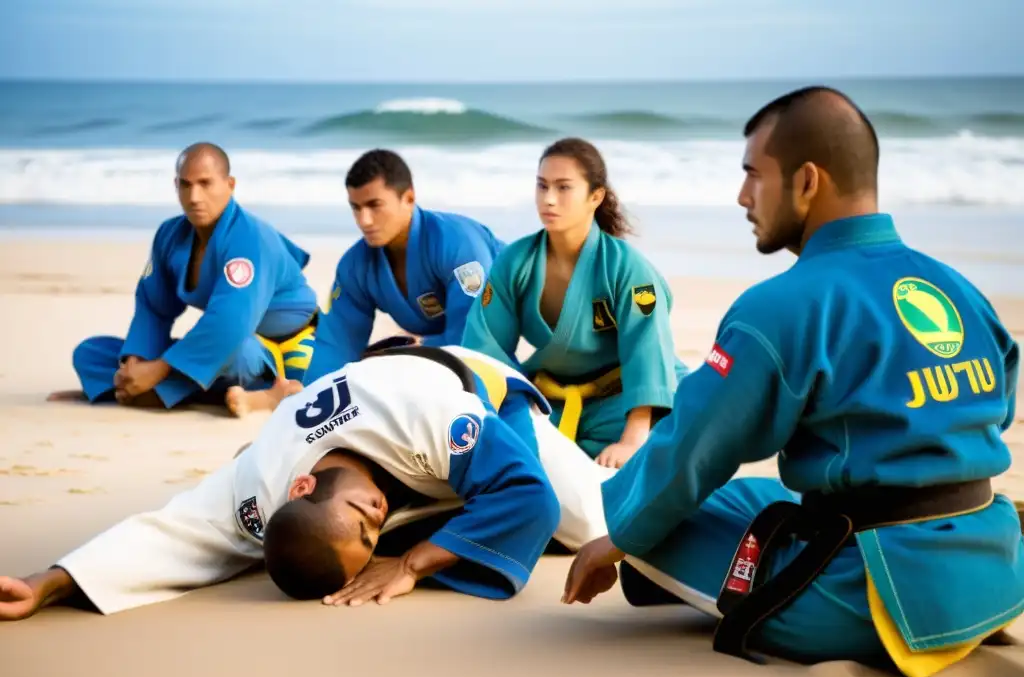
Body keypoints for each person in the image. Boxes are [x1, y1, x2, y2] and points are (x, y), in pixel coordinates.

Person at [562, 86, 1024, 677]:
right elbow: (1000, 404)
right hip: (992, 563)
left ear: (807, 181)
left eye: (754, 174)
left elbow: (695, 445)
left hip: (878, 597)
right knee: (735, 499)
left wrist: (617, 538)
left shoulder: (779, 307)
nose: (742, 196)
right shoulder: (955, 286)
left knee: (652, 522)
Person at [1, 345, 613, 621]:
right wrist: (50, 582)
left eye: (361, 516)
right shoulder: (261, 483)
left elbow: (528, 494)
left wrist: (412, 563)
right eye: (374, 532)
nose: (373, 512)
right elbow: (173, 531)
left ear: (304, 491)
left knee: (592, 520)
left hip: (476, 394)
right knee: (223, 529)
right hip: (407, 469)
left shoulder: (420, 411)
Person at [461, 137, 687, 469]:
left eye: (563, 188)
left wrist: (633, 438)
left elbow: (647, 346)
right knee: (505, 456)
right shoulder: (515, 262)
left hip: (629, 399)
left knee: (662, 454)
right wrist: (508, 405)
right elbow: (484, 347)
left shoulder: (627, 267)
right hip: (552, 400)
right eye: (542, 186)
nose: (549, 199)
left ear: (595, 196)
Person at [47, 143, 319, 416]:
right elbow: (153, 308)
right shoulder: (170, 234)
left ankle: (149, 391)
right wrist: (135, 363)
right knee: (89, 353)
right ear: (175, 185)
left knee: (238, 353)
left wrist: (158, 369)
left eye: (205, 184)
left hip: (277, 346)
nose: (195, 197)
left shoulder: (249, 239)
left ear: (230, 184)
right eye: (186, 185)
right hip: (218, 346)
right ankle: (153, 390)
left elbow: (229, 323)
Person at [300, 149, 506, 385]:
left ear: (408, 198)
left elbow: (476, 339)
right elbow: (336, 346)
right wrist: (311, 397)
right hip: (451, 349)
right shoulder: (355, 266)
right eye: (356, 207)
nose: (364, 220)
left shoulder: (457, 243)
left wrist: (411, 352)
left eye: (374, 205)